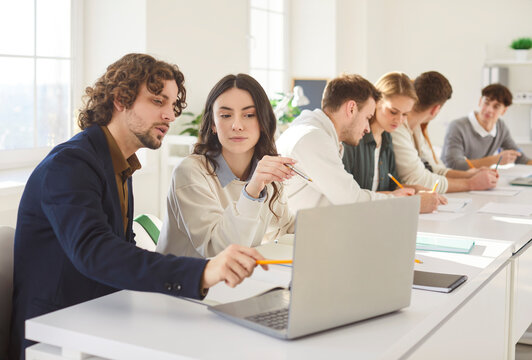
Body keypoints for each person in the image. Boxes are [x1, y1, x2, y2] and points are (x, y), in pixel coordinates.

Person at [8, 54, 267, 360]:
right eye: (158, 101)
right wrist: (202, 272)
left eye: (172, 105)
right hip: (55, 336)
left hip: (102, 319)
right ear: (121, 100)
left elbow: (123, 251)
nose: (170, 115)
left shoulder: (118, 164)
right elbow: (97, 253)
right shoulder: (71, 165)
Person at [157, 74, 295, 258]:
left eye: (249, 115)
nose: (237, 125)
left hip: (236, 283)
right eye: (226, 115)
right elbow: (217, 251)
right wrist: (252, 191)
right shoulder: (190, 172)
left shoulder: (263, 171)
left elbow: (287, 226)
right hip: (186, 283)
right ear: (213, 124)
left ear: (263, 122)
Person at [275, 74, 439, 213]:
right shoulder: (311, 138)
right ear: (351, 109)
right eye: (368, 117)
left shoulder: (320, 134)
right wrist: (410, 204)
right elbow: (351, 200)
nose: (368, 128)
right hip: (296, 239)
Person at [342, 72, 444, 204]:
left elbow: (393, 185)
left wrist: (416, 190)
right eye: (393, 112)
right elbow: (350, 196)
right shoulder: (352, 139)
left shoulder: (387, 138)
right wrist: (410, 200)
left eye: (405, 114)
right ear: (376, 102)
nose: (399, 120)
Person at [391, 71, 499, 193]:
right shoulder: (397, 128)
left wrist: (470, 175)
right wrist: (471, 184)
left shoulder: (415, 127)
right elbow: (418, 180)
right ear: (436, 109)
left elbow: (434, 169)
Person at [441, 83, 532, 169]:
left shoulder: (500, 127)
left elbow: (520, 158)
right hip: (451, 180)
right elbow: (454, 164)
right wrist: (495, 160)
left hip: (478, 179)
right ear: (480, 102)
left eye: (496, 106)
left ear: (504, 111)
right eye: (486, 103)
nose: (489, 110)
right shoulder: (457, 127)